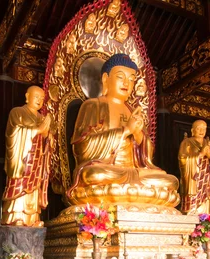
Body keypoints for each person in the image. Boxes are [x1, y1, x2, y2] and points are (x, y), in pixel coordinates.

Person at [66, 54, 179, 206]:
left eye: (132, 79)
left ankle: (131, 189)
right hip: (106, 172)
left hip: (133, 173)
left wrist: (138, 134)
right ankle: (134, 193)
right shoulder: (93, 105)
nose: (127, 83)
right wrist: (126, 130)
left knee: (170, 181)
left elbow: (148, 155)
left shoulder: (133, 111)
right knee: (92, 175)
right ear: (106, 79)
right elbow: (82, 148)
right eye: (121, 77)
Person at [1, 86, 52, 227]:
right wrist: (37, 130)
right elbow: (14, 133)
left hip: (37, 160)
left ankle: (32, 218)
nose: (39, 101)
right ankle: (16, 217)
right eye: (36, 97)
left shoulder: (41, 117)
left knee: (35, 187)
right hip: (22, 160)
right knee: (20, 186)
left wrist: (48, 135)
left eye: (42, 98)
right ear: (27, 97)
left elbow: (47, 140)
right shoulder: (17, 112)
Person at [178, 120, 210, 215]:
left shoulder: (209, 144)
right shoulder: (187, 142)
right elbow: (182, 158)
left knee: (207, 195)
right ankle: (192, 213)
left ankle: (206, 219)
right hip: (193, 178)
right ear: (192, 130)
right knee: (194, 195)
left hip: (207, 177)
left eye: (204, 129)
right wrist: (201, 154)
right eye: (199, 128)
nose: (201, 131)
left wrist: (209, 155)